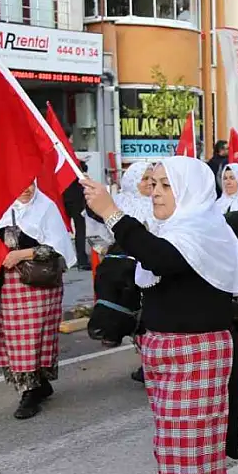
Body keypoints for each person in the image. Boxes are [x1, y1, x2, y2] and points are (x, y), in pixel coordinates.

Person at [81, 156, 238, 474]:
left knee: (182, 453)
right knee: (193, 446)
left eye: (164, 185)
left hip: (194, 354)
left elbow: (160, 258)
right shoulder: (174, 229)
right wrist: (102, 210)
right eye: (151, 183)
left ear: (189, 191)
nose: (153, 191)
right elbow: (142, 258)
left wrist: (112, 212)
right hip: (169, 353)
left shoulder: (200, 230)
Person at [0, 183, 78, 419]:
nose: (26, 189)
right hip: (8, 286)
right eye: (19, 183)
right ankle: (35, 385)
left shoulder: (46, 207)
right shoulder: (1, 208)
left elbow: (58, 247)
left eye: (30, 183)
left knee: (36, 337)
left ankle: (31, 392)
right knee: (13, 337)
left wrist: (23, 254)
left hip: (39, 285)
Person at [86, 162, 155, 384]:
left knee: (150, 317)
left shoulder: (159, 202)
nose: (148, 184)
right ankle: (145, 359)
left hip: (150, 265)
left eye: (150, 179)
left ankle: (151, 362)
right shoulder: (116, 204)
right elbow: (98, 235)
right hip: (120, 271)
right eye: (144, 179)